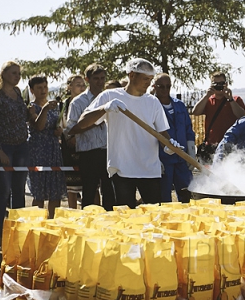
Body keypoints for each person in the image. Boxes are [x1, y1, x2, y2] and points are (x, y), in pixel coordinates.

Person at [71, 58, 175, 208]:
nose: (149, 83)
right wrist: (104, 108)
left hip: (150, 170)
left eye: (151, 79)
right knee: (124, 218)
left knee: (154, 216)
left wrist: (169, 145)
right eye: (145, 78)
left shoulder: (153, 102)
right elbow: (81, 123)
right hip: (122, 170)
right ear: (132, 75)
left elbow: (163, 133)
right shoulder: (109, 96)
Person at [0, 61, 30, 248]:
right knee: (4, 191)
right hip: (2, 147)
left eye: (19, 73)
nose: (17, 76)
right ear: (3, 74)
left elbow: (21, 117)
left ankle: (17, 234)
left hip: (21, 146)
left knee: (19, 192)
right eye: (13, 73)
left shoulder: (18, 93)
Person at [65, 63, 115, 210]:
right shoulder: (78, 102)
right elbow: (71, 129)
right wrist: (93, 123)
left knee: (109, 192)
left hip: (108, 151)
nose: (100, 82)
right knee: (89, 192)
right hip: (89, 152)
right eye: (96, 78)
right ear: (87, 80)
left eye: (102, 78)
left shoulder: (109, 99)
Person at [26, 75, 68, 218]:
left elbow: (60, 125)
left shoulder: (54, 106)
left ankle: (52, 222)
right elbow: (39, 126)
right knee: (39, 193)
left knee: (54, 192)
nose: (43, 90)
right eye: (39, 88)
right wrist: (44, 109)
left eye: (45, 87)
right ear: (32, 90)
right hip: (38, 150)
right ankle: (37, 223)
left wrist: (59, 131)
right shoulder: (32, 107)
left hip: (53, 149)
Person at [152, 73, 196, 203]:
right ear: (154, 86)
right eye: (161, 87)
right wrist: (154, 159)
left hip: (182, 157)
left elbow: (188, 129)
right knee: (163, 197)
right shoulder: (151, 106)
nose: (165, 90)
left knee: (189, 194)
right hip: (163, 159)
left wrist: (191, 151)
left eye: (168, 86)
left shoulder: (179, 106)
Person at [192, 71, 245, 160]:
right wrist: (207, 95)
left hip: (230, 144)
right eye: (216, 84)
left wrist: (230, 99)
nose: (219, 86)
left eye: (221, 83)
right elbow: (195, 112)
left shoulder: (236, 100)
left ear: (226, 84)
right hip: (211, 145)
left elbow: (241, 115)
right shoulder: (209, 101)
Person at [61, 74, 87, 209]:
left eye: (83, 85)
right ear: (70, 87)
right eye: (78, 85)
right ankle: (72, 214)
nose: (81, 88)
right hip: (69, 149)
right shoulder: (63, 105)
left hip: (87, 145)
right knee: (71, 188)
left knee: (91, 186)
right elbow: (61, 124)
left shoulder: (89, 101)